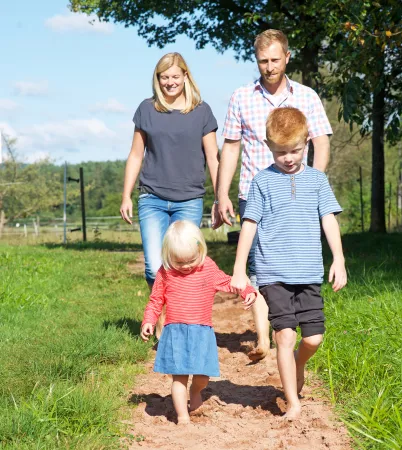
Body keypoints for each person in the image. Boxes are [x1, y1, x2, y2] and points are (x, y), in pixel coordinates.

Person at [215, 29, 333, 361]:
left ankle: (286, 327)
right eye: (263, 61)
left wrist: (316, 185)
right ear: (257, 61)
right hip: (254, 192)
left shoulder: (307, 96)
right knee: (260, 264)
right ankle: (264, 338)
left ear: (287, 58)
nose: (269, 67)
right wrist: (221, 193)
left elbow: (321, 141)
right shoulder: (241, 97)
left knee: (293, 260)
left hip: (298, 194)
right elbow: (231, 147)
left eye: (275, 60)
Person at [230, 108, 346, 420]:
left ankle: (298, 364)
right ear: (269, 147)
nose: (289, 158)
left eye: (295, 150)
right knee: (285, 335)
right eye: (281, 152)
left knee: (313, 339)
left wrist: (339, 259)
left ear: (306, 143)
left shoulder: (317, 181)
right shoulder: (262, 182)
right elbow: (250, 225)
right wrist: (240, 269)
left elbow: (328, 220)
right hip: (273, 273)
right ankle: (292, 402)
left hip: (308, 272)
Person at [120, 52, 220, 290]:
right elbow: (136, 154)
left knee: (184, 264)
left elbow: (214, 159)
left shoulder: (202, 111)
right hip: (151, 199)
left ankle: (180, 318)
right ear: (157, 78)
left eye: (175, 76)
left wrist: (219, 198)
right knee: (154, 267)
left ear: (186, 76)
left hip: (189, 200)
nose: (170, 82)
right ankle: (161, 322)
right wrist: (126, 195)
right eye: (164, 77)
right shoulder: (146, 109)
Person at [141, 220, 257, 424]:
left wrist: (246, 290)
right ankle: (183, 417)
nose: (185, 266)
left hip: (202, 332)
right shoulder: (165, 272)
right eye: (179, 262)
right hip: (175, 332)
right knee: (179, 378)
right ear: (169, 256)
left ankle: (196, 392)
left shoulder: (208, 267)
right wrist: (149, 320)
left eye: (191, 261)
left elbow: (228, 282)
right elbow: (156, 299)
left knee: (203, 376)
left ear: (200, 251)